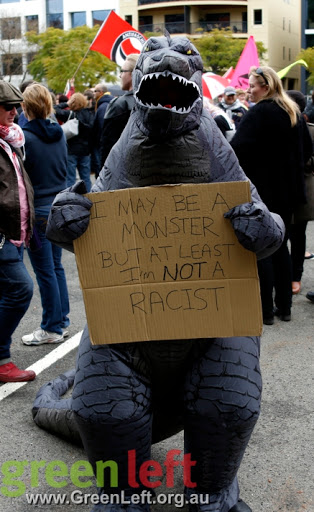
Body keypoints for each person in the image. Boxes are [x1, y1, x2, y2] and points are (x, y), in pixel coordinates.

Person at [44, 35, 285, 512]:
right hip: (127, 331)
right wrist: (67, 219)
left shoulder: (219, 151)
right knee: (101, 408)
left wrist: (261, 228)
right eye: (152, 52)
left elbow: (269, 228)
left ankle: (214, 490)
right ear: (135, 82)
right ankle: (122, 494)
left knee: (230, 401)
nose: (168, 58)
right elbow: (89, 224)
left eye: (185, 56)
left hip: (213, 327)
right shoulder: (122, 151)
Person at [231, 66, 313, 324]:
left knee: (263, 250)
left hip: (263, 191)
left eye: (253, 85)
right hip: (288, 192)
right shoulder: (293, 112)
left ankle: (266, 312)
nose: (248, 90)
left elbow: (236, 150)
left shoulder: (259, 113)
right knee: (281, 247)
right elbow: (307, 150)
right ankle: (285, 308)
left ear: (266, 86)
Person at [20, 83, 70, 346]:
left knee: (46, 271)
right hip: (59, 207)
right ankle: (60, 321)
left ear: (25, 107)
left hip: (38, 211)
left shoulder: (23, 137)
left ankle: (52, 327)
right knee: (56, 267)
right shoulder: (59, 133)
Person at [0, 80, 36, 382]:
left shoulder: (10, 140)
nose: (15, 111)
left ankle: (2, 360)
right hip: (2, 237)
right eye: (8, 107)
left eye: (17, 106)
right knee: (21, 289)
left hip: (17, 233)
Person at [286, 90, 314, 295]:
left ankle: (296, 276)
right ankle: (284, 275)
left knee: (298, 235)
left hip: (303, 188)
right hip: (281, 188)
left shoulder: (311, 130)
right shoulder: (278, 127)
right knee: (280, 234)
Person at [100, 53, 139, 167]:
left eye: (122, 71)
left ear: (133, 74)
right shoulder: (156, 103)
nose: (120, 75)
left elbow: (108, 146)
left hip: (122, 171)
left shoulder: (119, 105)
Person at [55, 92, 94, 192]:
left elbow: (53, 109)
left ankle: (70, 199)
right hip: (85, 150)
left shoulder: (70, 114)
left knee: (70, 179)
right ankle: (89, 198)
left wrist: (66, 104)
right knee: (86, 178)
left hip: (71, 150)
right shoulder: (89, 114)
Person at [90, 84, 111, 178]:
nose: (93, 93)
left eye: (95, 91)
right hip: (101, 143)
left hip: (100, 144)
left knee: (100, 169)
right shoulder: (104, 104)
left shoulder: (103, 106)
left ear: (101, 92)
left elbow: (103, 127)